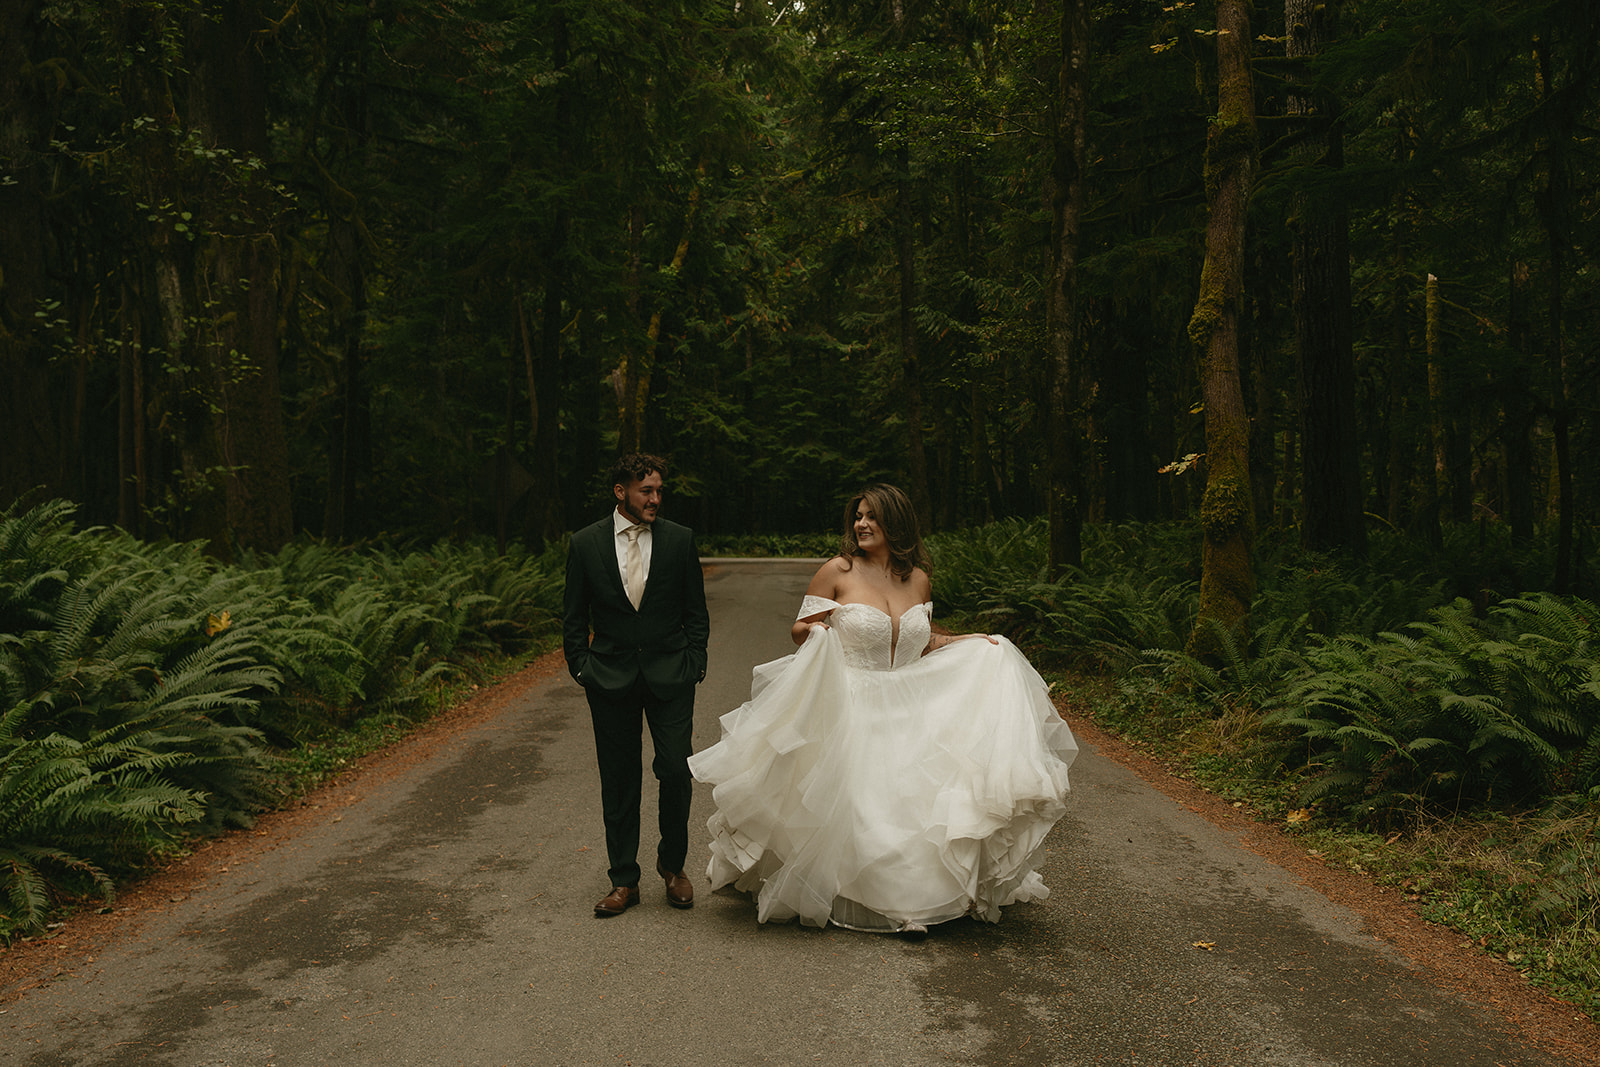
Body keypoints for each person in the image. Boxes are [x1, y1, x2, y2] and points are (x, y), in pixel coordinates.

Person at [688, 484, 1078, 937]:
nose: (861, 524)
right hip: (851, 700)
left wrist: (975, 643)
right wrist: (819, 636)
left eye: (871, 516)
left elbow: (923, 641)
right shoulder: (839, 570)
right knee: (864, 806)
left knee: (911, 807)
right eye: (857, 516)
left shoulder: (917, 579)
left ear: (895, 522)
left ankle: (914, 901)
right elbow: (801, 628)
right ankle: (859, 895)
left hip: (909, 701)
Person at [564, 454, 710, 917]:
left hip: (671, 675)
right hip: (609, 677)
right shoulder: (585, 543)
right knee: (619, 778)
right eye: (646, 490)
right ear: (620, 491)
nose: (655, 498)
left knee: (674, 768)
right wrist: (582, 668)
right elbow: (573, 616)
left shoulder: (679, 539)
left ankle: (673, 868)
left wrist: (695, 661)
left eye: (659, 490)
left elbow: (696, 611)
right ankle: (624, 880)